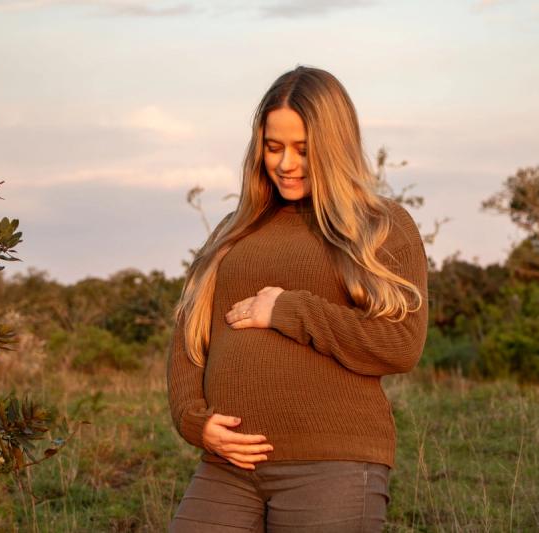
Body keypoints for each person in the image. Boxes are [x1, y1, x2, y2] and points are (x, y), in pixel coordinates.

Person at [166, 65, 428, 532]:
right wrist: (193, 420)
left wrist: (289, 309)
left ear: (336, 146)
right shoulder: (235, 228)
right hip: (229, 467)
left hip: (333, 464)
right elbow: (191, 336)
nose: (286, 163)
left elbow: (401, 343)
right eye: (273, 147)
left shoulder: (380, 226)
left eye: (303, 150)